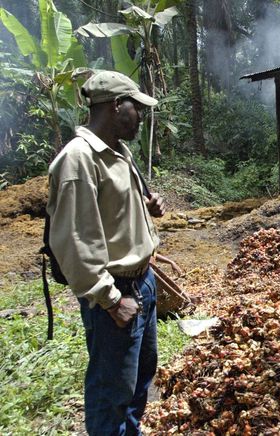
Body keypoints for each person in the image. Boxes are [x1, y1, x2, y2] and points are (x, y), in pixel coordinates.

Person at [47, 70, 165, 435]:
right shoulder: (78, 160)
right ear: (116, 106)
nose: (140, 117)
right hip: (117, 294)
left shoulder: (118, 151)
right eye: (136, 108)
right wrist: (111, 301)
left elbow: (110, 213)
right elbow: (75, 240)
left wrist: (147, 206)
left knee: (138, 381)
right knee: (111, 391)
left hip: (142, 283)